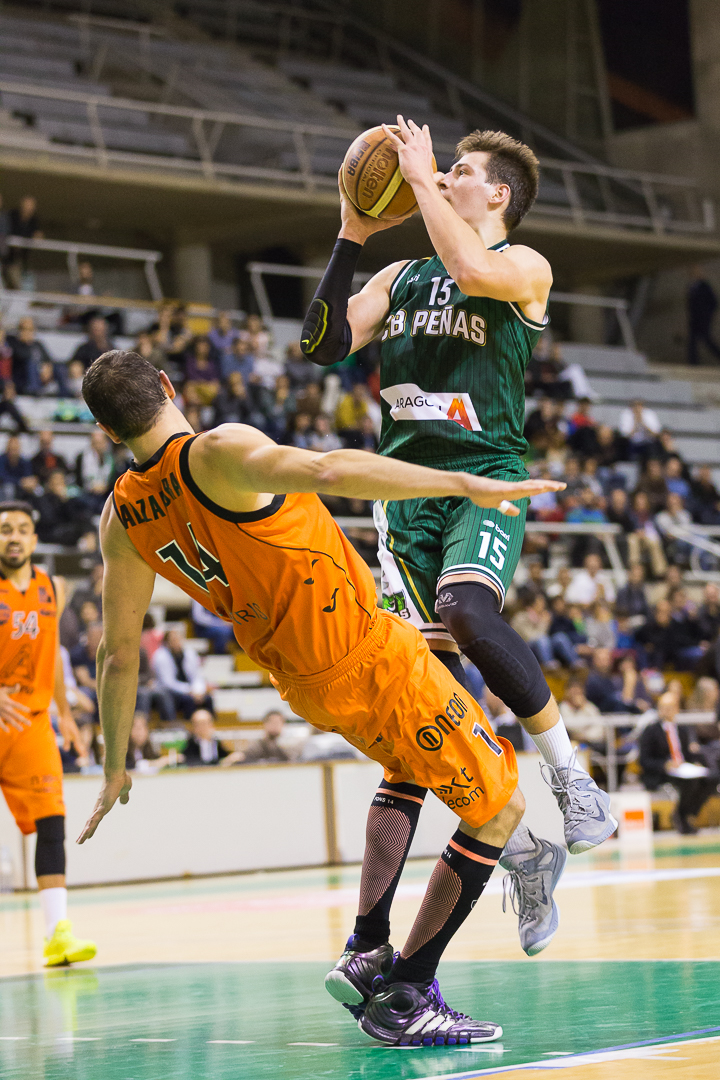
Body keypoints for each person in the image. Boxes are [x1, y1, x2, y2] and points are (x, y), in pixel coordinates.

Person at [77, 348, 571, 1046]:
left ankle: (370, 945)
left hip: (302, 680)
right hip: (362, 651)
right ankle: (407, 992)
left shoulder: (121, 518)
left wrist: (114, 762)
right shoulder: (219, 451)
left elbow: (117, 653)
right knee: (502, 808)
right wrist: (464, 481)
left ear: (106, 432)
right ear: (166, 384)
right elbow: (330, 470)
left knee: (409, 768)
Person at [299, 119, 615, 885]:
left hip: (488, 474)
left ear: (497, 193)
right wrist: (350, 232)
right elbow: (323, 343)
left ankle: (572, 779)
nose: (442, 175)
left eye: (459, 170)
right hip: (405, 490)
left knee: (470, 612)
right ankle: (519, 850)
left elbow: (470, 271)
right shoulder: (399, 275)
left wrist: (411, 177)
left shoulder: (522, 264)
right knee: (426, 706)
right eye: (441, 168)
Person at [0, 500, 95, 965]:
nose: (13, 537)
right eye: (4, 530)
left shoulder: (49, 588)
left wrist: (67, 716)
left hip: (33, 723)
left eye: (21, 529)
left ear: (35, 540)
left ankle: (58, 933)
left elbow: (52, 656)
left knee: (52, 822)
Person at [640, 691, 719, 833]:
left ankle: (688, 813)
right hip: (663, 773)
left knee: (713, 777)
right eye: (663, 707)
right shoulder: (651, 731)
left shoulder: (683, 730)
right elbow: (644, 760)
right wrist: (665, 764)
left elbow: (688, 754)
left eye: (670, 707)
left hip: (683, 769)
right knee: (691, 782)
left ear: (677, 709)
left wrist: (696, 762)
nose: (666, 710)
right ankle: (681, 816)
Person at [151, 628, 213, 721]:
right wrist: (189, 691)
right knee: (188, 701)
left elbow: (196, 676)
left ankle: (211, 726)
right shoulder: (160, 656)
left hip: (190, 690)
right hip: (170, 692)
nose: (176, 642)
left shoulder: (189, 653)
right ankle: (190, 726)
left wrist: (198, 691)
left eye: (178, 639)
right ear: (167, 642)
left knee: (208, 699)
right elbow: (168, 683)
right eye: (173, 640)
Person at [687, 266, 720, 366]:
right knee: (692, 342)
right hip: (695, 319)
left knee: (706, 340)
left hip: (703, 319)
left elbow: (713, 302)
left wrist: (706, 314)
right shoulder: (692, 287)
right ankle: (693, 364)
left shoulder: (705, 287)